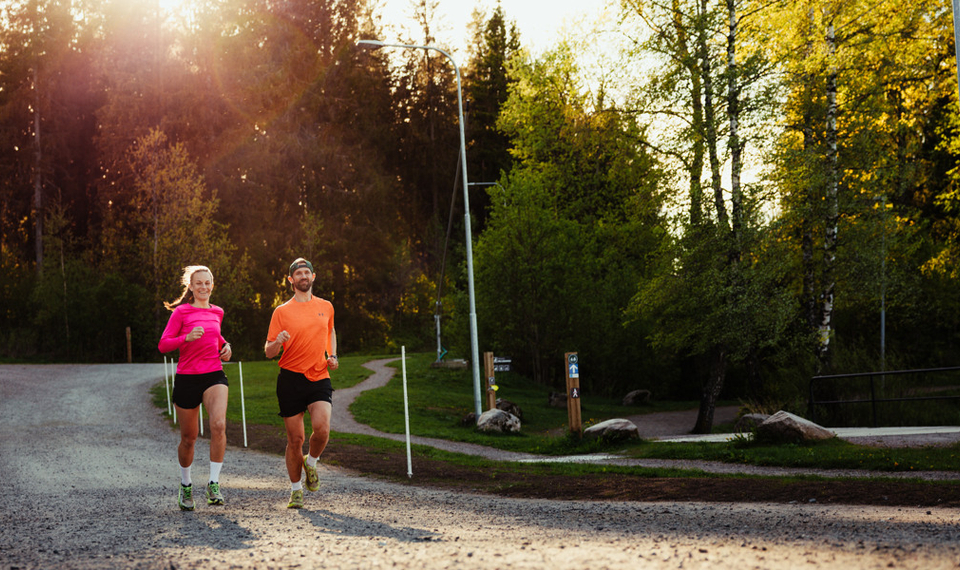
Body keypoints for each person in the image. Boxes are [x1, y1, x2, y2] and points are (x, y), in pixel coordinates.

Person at [264, 257, 339, 509]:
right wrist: (278, 341)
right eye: (299, 273)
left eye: (307, 272)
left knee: (323, 429)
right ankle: (296, 490)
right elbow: (268, 351)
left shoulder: (326, 306)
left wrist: (333, 355)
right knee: (295, 440)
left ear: (313, 277)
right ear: (291, 280)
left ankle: (312, 462)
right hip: (290, 379)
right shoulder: (281, 312)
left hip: (319, 375)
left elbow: (330, 331)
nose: (303, 276)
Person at [158, 265, 232, 511]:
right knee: (189, 438)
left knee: (219, 425)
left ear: (212, 284)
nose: (203, 287)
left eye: (207, 282)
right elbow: (163, 345)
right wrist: (185, 338)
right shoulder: (181, 312)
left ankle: (213, 484)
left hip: (213, 374)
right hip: (187, 377)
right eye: (198, 283)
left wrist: (226, 347)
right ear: (190, 287)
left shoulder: (218, 312)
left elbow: (217, 338)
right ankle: (186, 485)